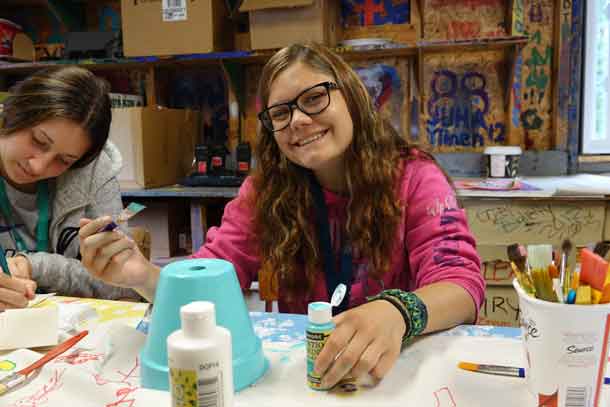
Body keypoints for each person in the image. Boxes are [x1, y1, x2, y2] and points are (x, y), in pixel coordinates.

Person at [79, 43, 484, 389]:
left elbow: (461, 286)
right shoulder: (266, 191)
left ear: (352, 98)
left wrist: (398, 311)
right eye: (281, 113)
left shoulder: (414, 177)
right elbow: (210, 281)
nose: (299, 121)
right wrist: (141, 275)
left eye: (314, 98)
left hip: (397, 374)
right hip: (308, 377)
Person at [0, 66, 139, 310]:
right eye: (38, 141)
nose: (38, 166)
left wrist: (37, 266)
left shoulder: (93, 171)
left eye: (64, 161)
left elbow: (124, 282)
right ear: (13, 114)